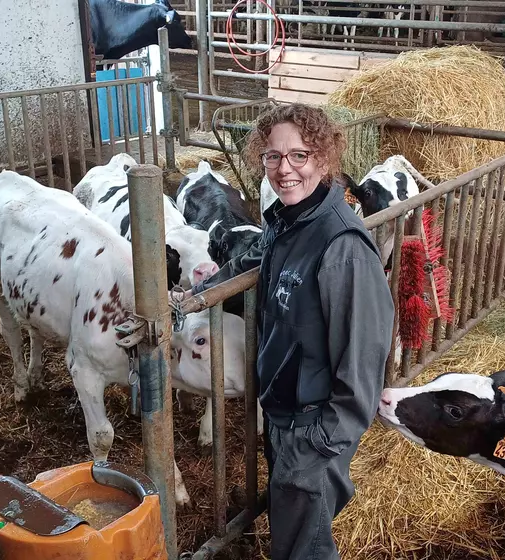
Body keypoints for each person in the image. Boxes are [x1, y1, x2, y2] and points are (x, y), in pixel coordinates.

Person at [184, 104, 394, 559]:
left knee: (304, 549)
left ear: (323, 159)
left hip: (313, 430)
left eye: (299, 155)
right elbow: (251, 262)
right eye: (273, 157)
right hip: (284, 417)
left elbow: (364, 359)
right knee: (293, 539)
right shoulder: (284, 221)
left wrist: (320, 443)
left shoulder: (342, 247)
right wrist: (195, 296)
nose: (285, 169)